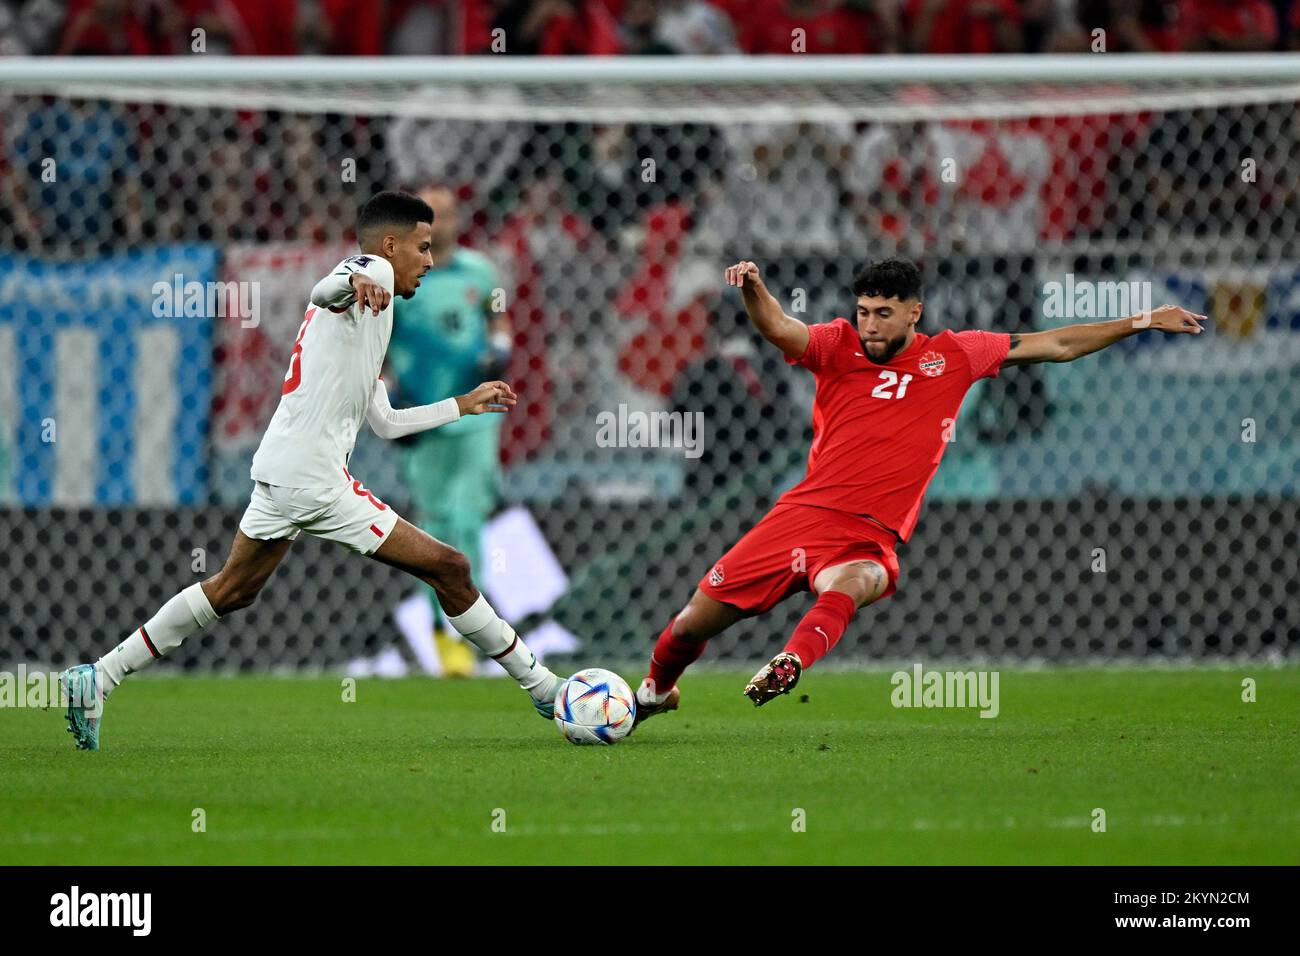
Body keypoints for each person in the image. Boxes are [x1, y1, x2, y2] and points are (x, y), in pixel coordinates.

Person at [61, 191, 562, 750]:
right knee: (450, 566)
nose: (428, 258)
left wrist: (460, 405)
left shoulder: (382, 309)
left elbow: (387, 422)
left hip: (283, 467)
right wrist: (355, 282)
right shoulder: (365, 275)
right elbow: (327, 287)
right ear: (389, 246)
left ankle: (97, 676)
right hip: (315, 481)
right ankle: (546, 689)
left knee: (232, 589)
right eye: (421, 248)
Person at [632, 257, 1206, 725]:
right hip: (800, 517)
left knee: (851, 583)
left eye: (884, 313)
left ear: (914, 313)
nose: (871, 325)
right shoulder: (836, 345)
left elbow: (1055, 344)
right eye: (864, 313)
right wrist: (754, 288)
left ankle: (790, 660)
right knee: (688, 625)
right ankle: (656, 693)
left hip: (869, 534)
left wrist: (1141, 321)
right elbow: (779, 326)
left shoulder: (956, 354)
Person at [385, 184, 512, 676]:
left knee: (467, 516)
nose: (439, 224)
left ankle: (470, 631)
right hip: (424, 414)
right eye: (429, 216)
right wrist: (388, 394)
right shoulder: (401, 277)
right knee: (432, 525)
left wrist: (500, 348)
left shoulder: (480, 272)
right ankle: (444, 635)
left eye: (447, 213)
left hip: (476, 411)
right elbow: (380, 343)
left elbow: (498, 319)